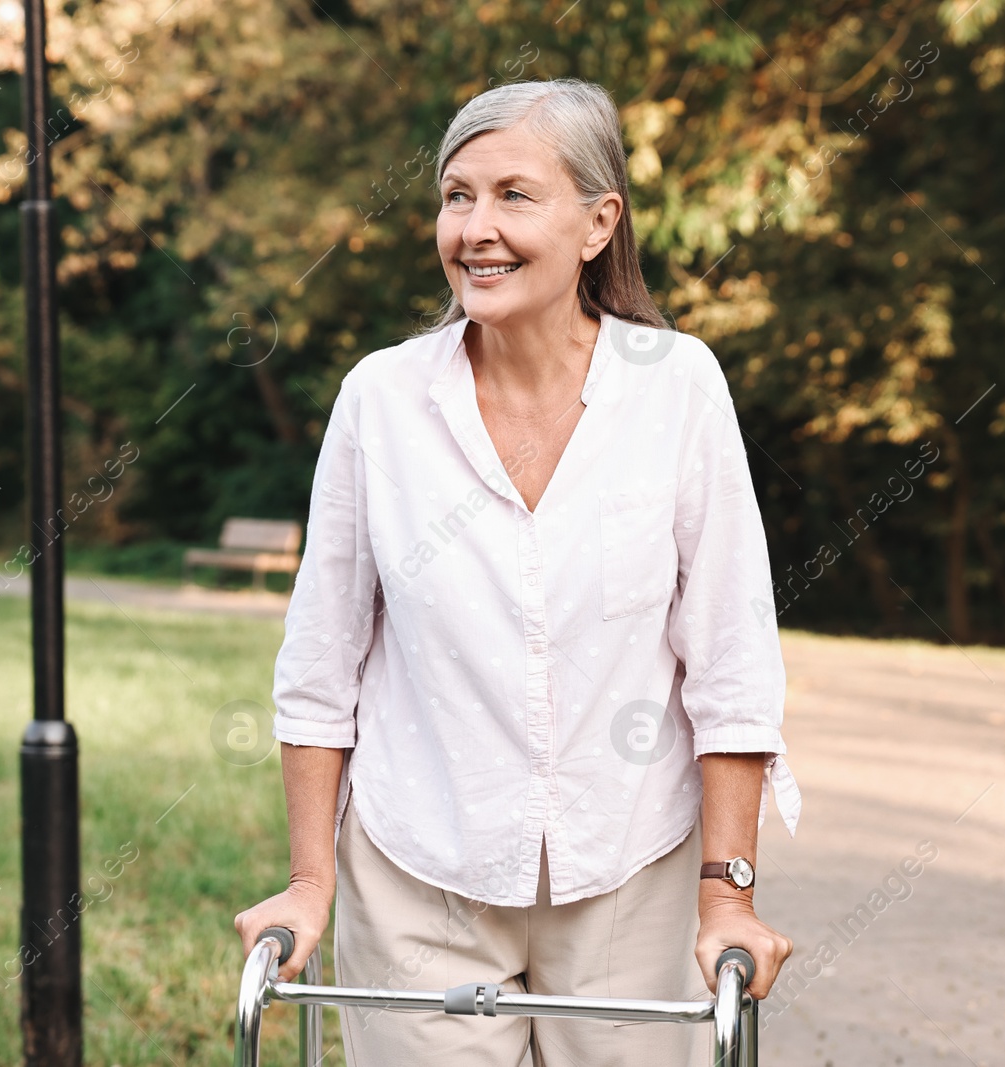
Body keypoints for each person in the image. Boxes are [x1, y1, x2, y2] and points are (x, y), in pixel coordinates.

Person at [234, 76, 800, 1066]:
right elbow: (321, 661)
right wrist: (309, 882)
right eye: (457, 195)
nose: (475, 227)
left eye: (511, 194)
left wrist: (727, 893)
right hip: (418, 869)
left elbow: (731, 665)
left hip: (632, 867)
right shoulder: (382, 399)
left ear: (596, 222)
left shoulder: (678, 391)